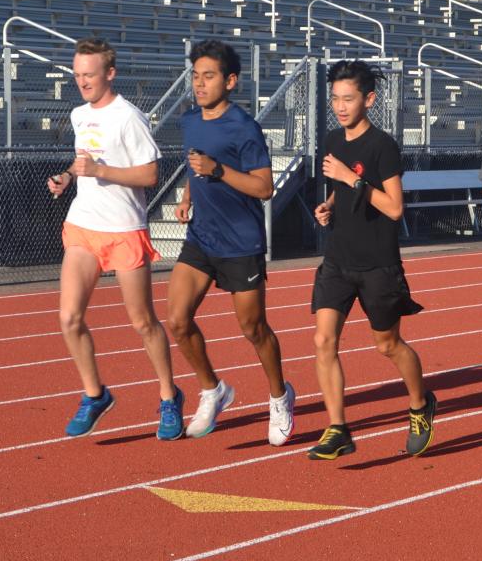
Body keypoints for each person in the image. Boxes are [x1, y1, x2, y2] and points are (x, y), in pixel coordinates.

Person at [47, 37, 185, 439]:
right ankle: (95, 394)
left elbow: (149, 175)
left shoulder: (129, 117)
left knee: (143, 322)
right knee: (69, 317)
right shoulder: (78, 114)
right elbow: (84, 161)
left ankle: (168, 397)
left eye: (88, 74)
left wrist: (100, 172)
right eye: (77, 75)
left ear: (110, 73)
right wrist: (67, 177)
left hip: (124, 229)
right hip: (84, 225)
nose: (82, 82)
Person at [164, 39, 298, 444]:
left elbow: (264, 188)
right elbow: (195, 163)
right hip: (202, 238)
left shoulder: (245, 128)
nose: (199, 84)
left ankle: (280, 396)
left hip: (241, 242)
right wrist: (188, 198)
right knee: (177, 320)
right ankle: (212, 390)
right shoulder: (190, 120)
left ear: (230, 80)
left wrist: (218, 170)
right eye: (196, 76)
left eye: (209, 76)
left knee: (253, 329)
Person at [308, 59, 436, 460]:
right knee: (323, 340)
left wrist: (350, 179)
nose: (340, 107)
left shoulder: (382, 146)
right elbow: (341, 192)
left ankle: (420, 405)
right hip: (338, 259)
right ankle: (338, 428)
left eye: (349, 99)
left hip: (378, 262)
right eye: (335, 99)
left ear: (369, 99)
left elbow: (395, 208)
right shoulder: (331, 140)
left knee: (388, 345)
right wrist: (328, 205)